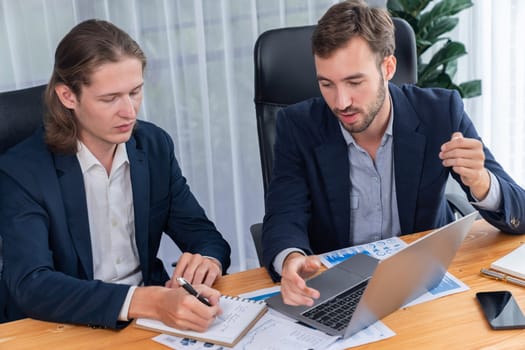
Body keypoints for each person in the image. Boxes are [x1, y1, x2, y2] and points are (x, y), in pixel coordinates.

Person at [261, 0, 525, 307]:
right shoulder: (298, 126)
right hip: (336, 292)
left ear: (388, 68)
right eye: (327, 84)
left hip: (420, 290)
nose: (341, 101)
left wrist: (481, 181)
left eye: (354, 82)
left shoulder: (440, 113)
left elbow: (521, 212)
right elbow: (283, 215)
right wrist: (291, 258)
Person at [0, 19, 231, 331]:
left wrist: (207, 262)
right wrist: (146, 300)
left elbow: (205, 236)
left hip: (146, 322)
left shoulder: (153, 146)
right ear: (68, 96)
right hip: (62, 327)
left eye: (135, 92)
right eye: (110, 99)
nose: (129, 111)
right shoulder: (23, 170)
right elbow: (31, 284)